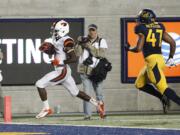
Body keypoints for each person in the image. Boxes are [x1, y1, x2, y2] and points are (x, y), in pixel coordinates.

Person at [35, 20, 104, 119]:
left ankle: (46, 108)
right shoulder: (57, 39)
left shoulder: (67, 40)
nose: (53, 31)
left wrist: (59, 62)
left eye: (55, 30)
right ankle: (97, 104)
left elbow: (74, 58)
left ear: (61, 30)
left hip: (62, 70)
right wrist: (52, 52)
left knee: (39, 84)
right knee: (75, 92)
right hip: (63, 69)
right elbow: (59, 53)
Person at [125, 9, 180, 113]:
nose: (138, 22)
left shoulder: (141, 28)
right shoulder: (159, 26)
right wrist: (171, 57)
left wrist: (128, 49)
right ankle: (162, 97)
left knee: (163, 88)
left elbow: (138, 48)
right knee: (139, 84)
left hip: (152, 62)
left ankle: (171, 98)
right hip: (159, 59)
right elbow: (172, 42)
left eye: (140, 20)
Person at [75, 24, 108, 120]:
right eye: (90, 30)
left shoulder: (102, 41)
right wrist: (79, 43)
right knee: (86, 94)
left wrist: (89, 46)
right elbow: (77, 53)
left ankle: (101, 112)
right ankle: (87, 115)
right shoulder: (83, 40)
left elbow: (101, 54)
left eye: (93, 30)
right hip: (84, 70)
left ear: (96, 31)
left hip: (96, 71)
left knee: (99, 93)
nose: (91, 32)